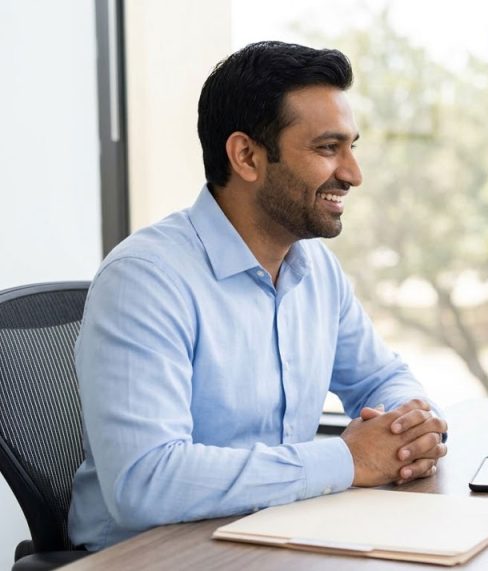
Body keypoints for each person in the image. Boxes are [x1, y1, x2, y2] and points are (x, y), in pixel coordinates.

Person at [68, 41, 447, 551]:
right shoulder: (146, 280)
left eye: (352, 146)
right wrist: (348, 459)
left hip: (271, 536)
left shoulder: (315, 270)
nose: (353, 173)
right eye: (327, 148)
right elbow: (145, 481)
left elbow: (381, 377)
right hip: (152, 557)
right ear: (246, 156)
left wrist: (408, 427)